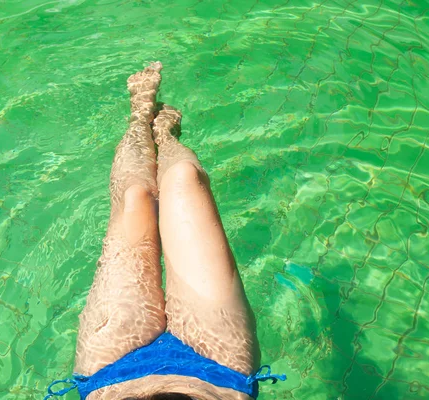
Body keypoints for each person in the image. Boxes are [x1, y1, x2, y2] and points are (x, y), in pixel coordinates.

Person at [45, 63, 286, 400]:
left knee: (135, 199)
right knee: (183, 178)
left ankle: (140, 118)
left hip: (113, 372)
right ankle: (165, 135)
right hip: (216, 369)